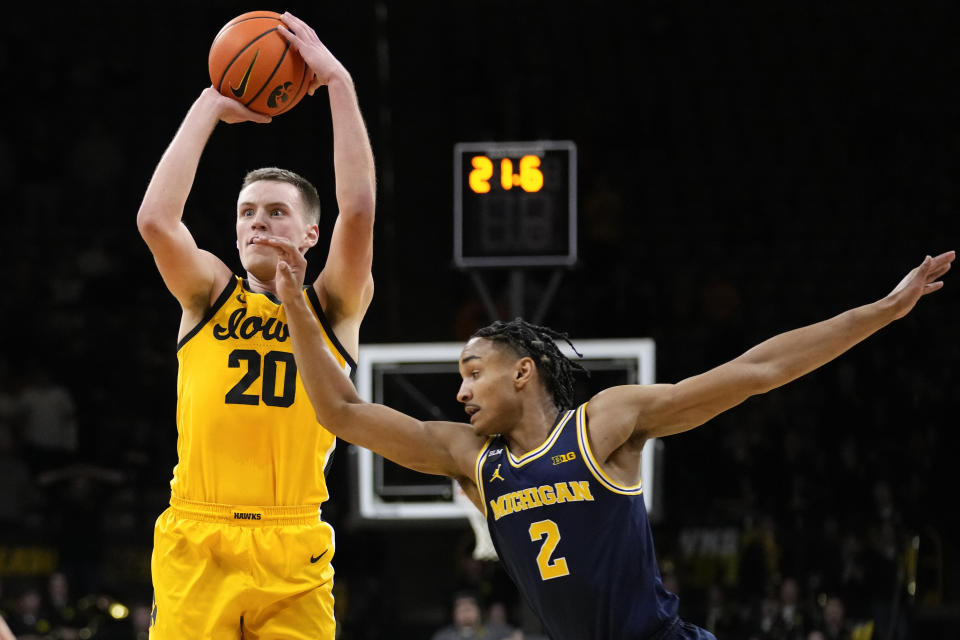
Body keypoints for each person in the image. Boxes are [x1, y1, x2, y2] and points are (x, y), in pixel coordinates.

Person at [263, 235, 951, 640]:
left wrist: (884, 311)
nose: (461, 391)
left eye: (474, 373)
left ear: (524, 372)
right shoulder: (472, 462)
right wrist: (295, 302)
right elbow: (343, 413)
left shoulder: (603, 425)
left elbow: (758, 370)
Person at [135, 11, 375, 639]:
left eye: (275, 211)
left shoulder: (334, 304)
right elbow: (156, 222)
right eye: (246, 213)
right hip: (199, 535)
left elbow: (360, 211)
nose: (258, 223)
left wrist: (340, 85)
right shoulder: (209, 294)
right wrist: (208, 107)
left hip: (292, 540)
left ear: (310, 233)